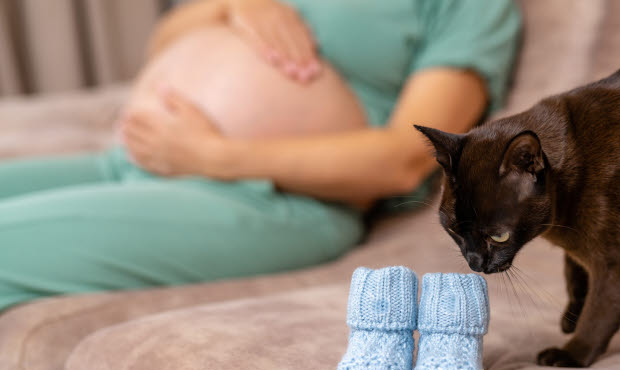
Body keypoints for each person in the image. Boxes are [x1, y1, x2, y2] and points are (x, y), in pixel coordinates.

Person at [0, 0, 521, 311]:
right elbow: (164, 39)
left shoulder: (472, 7)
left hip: (276, 201)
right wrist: (233, 6)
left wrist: (211, 155)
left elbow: (403, 160)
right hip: (137, 162)